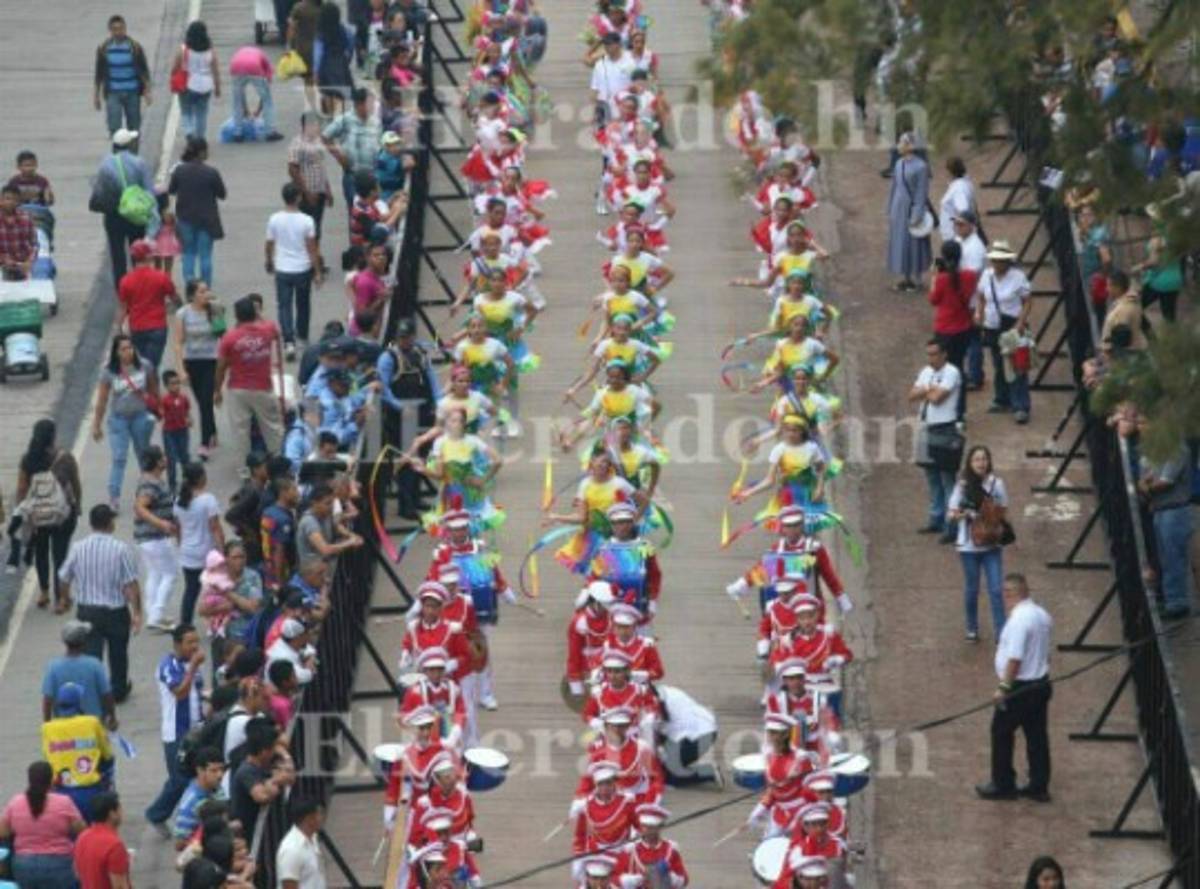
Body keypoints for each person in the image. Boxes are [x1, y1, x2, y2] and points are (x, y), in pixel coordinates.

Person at [976, 573, 1052, 803]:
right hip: (1040, 682)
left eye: (1004, 594)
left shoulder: (1019, 620)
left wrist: (1003, 687)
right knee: (1036, 736)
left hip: (1020, 687)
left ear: (1011, 594)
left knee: (1000, 732)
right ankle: (1038, 786)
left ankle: (1003, 783)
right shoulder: (1042, 614)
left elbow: (1015, 659)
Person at [57, 505, 143, 701]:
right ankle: (119, 690)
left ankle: (93, 691)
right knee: (118, 653)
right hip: (116, 611)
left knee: (91, 655)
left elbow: (63, 577)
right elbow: (131, 584)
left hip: (87, 611)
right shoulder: (121, 549)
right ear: (110, 523)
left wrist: (65, 598)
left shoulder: (78, 547)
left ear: (91, 524)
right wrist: (137, 612)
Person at [145, 624, 206, 835]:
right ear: (178, 644)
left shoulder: (192, 664)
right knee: (179, 779)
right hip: (176, 733)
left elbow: (196, 692)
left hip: (196, 729)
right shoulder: (168, 665)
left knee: (198, 775)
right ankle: (156, 814)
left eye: (196, 641)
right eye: (190, 642)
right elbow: (180, 692)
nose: (195, 646)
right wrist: (193, 668)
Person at [15, 418, 82, 611]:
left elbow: (21, 488)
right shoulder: (64, 457)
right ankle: (61, 599)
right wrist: (77, 507)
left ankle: (43, 593)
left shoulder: (27, 460)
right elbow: (75, 484)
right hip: (62, 514)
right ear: (53, 436)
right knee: (60, 555)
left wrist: (21, 511)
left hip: (38, 516)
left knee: (41, 554)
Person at [947, 445, 1009, 641]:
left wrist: (990, 514)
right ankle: (972, 627)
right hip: (968, 547)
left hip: (991, 545)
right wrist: (964, 514)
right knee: (972, 589)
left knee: (996, 589)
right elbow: (951, 513)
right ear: (970, 463)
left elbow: (1004, 509)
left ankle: (1001, 632)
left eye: (984, 459)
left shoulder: (997, 484)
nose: (981, 463)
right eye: (977, 459)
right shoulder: (962, 486)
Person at [216, 295, 285, 456]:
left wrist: (217, 390)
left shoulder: (230, 338)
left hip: (237, 389)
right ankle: (278, 464)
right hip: (263, 387)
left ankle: (245, 471)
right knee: (272, 428)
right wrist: (258, 315)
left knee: (241, 433)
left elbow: (221, 367)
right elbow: (276, 331)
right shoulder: (268, 330)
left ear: (236, 316)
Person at [0, 761, 86, 888]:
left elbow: (3, 832)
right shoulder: (63, 802)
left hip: (24, 865)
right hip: (59, 864)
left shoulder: (16, 802)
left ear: (29, 780)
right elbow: (81, 829)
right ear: (51, 780)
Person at [975, 239, 1033, 424]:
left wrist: (1020, 323)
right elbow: (981, 297)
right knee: (999, 364)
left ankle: (1021, 405)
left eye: (1000, 260)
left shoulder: (1018, 277)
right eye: (995, 260)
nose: (997, 264)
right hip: (992, 325)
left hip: (1011, 324)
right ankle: (1003, 399)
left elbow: (1027, 301)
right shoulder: (987, 275)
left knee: (1017, 366)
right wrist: (979, 314)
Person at [909, 336, 962, 537]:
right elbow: (911, 395)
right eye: (928, 354)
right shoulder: (926, 371)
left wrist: (926, 390)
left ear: (944, 354)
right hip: (925, 427)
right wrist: (927, 389)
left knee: (947, 479)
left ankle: (951, 526)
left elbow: (937, 399)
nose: (930, 358)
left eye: (934, 354)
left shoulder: (952, 372)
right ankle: (936, 519)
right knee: (931, 477)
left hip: (945, 428)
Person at [41, 684, 114, 822]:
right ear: (78, 703)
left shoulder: (47, 728)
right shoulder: (91, 722)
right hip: (90, 789)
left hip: (61, 791)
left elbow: (47, 757)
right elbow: (107, 755)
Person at [266, 182, 323, 359]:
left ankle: (288, 341)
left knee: (284, 305)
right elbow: (312, 248)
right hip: (302, 268)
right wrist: (318, 270)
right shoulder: (307, 220)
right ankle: (302, 337)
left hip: (282, 267)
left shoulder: (274, 219)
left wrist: (269, 260)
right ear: (298, 198)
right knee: (303, 303)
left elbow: (269, 243)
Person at [1138, 443, 1194, 620]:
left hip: (1175, 510)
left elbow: (1165, 481)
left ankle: (1177, 603)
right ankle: (1170, 600)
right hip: (1160, 509)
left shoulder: (1177, 449)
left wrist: (1147, 485)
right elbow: (1144, 477)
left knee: (1173, 557)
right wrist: (1146, 483)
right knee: (1164, 557)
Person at [89, 129, 151, 285]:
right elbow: (149, 191)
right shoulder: (139, 162)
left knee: (117, 254)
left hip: (114, 215)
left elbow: (99, 189)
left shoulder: (105, 163)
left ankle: (122, 288)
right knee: (137, 251)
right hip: (135, 214)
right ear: (130, 145)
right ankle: (140, 284)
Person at [926, 239, 977, 420]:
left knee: (940, 371)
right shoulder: (969, 276)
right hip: (963, 329)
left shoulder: (941, 279)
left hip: (944, 330)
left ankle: (941, 408)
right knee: (958, 369)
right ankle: (959, 411)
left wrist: (935, 277)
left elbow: (933, 300)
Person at [173, 279, 223, 459]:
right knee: (202, 402)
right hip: (192, 361)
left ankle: (204, 443)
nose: (205, 295)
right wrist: (181, 369)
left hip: (211, 360)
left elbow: (221, 333)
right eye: (201, 292)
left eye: (206, 290)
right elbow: (178, 343)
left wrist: (216, 308)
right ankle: (212, 429)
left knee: (205, 401)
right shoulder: (182, 314)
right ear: (192, 295)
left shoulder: (214, 309)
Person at [133, 445, 179, 632]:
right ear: (157, 461)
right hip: (155, 537)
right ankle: (157, 615)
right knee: (170, 573)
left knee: (155, 573)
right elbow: (140, 507)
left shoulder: (151, 481)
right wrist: (161, 523)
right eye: (163, 457)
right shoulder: (151, 484)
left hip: (146, 538)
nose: (166, 460)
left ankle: (153, 613)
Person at [169, 137, 227, 287]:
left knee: (188, 254)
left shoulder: (179, 170)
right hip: (207, 220)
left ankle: (190, 287)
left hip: (185, 219)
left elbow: (172, 190)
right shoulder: (211, 172)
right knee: (205, 256)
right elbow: (222, 194)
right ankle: (205, 288)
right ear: (201, 152)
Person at [42, 619, 117, 728]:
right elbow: (106, 695)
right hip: (93, 724)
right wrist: (112, 717)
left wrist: (47, 724)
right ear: (84, 642)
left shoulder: (53, 667)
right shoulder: (94, 664)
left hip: (64, 726)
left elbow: (47, 699)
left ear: (64, 642)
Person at [176, 462, 225, 626]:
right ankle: (216, 622)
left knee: (191, 590)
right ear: (201, 478)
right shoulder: (208, 500)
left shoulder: (179, 501)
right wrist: (222, 551)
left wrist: (181, 547)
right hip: (206, 553)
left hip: (187, 552)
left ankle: (185, 624)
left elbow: (179, 529)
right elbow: (215, 528)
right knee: (214, 590)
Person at [117, 239, 178, 369]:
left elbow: (123, 308)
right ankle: (152, 388)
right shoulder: (161, 277)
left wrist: (119, 329)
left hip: (137, 328)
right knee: (152, 366)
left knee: (139, 365)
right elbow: (174, 297)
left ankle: (144, 387)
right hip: (158, 327)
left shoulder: (125, 281)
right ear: (149, 257)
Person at [322, 87, 382, 218]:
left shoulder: (376, 121)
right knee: (356, 215)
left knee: (375, 213)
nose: (372, 107)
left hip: (373, 176)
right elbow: (325, 137)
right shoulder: (345, 120)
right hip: (353, 176)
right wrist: (339, 156)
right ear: (359, 104)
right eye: (369, 103)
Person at [886, 132, 932, 291]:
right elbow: (894, 187)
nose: (899, 145)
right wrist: (890, 207)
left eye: (902, 142)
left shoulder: (921, 166)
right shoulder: (899, 163)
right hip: (899, 208)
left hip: (911, 208)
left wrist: (917, 214)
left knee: (915, 243)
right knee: (900, 241)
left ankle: (917, 277)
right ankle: (905, 276)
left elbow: (921, 192)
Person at [93, 15, 152, 135]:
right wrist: (96, 96)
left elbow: (144, 70)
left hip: (132, 92)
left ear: (125, 29)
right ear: (110, 30)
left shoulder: (134, 47)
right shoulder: (104, 48)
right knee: (114, 127)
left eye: (121, 28)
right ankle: (117, 153)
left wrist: (147, 91)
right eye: (114, 29)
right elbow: (99, 74)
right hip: (113, 93)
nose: (118, 32)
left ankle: (132, 152)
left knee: (134, 128)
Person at [229, 721, 293, 829]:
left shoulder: (270, 761)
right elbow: (262, 796)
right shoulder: (246, 771)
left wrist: (285, 755)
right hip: (252, 832)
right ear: (264, 752)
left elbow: (290, 777)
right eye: (273, 748)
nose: (275, 750)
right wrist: (275, 781)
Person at [288, 112, 335, 250]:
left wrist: (328, 190)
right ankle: (309, 260)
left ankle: (316, 257)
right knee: (308, 229)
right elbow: (292, 170)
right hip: (306, 195)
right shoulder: (297, 144)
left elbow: (321, 167)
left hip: (319, 192)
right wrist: (307, 192)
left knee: (317, 227)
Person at [174, 21, 221, 141]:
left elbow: (175, 67)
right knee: (202, 113)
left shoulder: (184, 49)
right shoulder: (210, 51)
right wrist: (217, 87)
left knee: (186, 111)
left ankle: (189, 132)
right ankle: (200, 137)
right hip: (206, 85)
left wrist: (174, 78)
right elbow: (215, 70)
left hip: (188, 85)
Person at [73, 792, 132, 889]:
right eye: (120, 809)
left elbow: (77, 873)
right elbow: (119, 886)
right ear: (112, 814)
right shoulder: (114, 846)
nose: (122, 812)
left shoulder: (82, 837)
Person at [172, 746, 225, 850]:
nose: (220, 775)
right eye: (214, 770)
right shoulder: (191, 803)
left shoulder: (217, 787)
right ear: (200, 770)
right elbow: (179, 844)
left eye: (222, 769)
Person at [229, 45, 283, 141]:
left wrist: (247, 111)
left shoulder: (241, 51)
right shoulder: (265, 61)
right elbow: (266, 96)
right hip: (253, 66)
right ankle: (270, 132)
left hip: (235, 67)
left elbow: (241, 98)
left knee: (237, 100)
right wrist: (257, 111)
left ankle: (238, 133)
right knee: (268, 101)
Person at [276, 796, 327, 889]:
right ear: (309, 818)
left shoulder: (312, 838)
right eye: (320, 814)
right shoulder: (291, 849)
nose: (323, 818)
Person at [315, 1, 356, 116]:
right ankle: (340, 116)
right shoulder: (342, 29)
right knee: (340, 92)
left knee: (327, 91)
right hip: (340, 63)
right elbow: (350, 42)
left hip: (325, 65)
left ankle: (331, 115)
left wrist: (316, 72)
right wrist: (347, 58)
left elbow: (318, 52)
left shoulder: (320, 32)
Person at [161, 369, 193, 490]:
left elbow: (187, 410)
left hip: (183, 430)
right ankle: (172, 483)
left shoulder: (184, 398)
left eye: (178, 383)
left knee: (185, 456)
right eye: (173, 384)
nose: (176, 386)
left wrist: (189, 419)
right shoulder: (165, 400)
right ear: (166, 386)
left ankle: (188, 480)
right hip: (169, 432)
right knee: (171, 459)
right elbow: (161, 413)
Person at [0, 185, 38, 279]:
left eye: (15, 200)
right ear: (1, 200)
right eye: (7, 199)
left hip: (23, 264)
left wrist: (29, 261)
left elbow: (34, 244)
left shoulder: (26, 219)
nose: (11, 202)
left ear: (19, 202)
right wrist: (5, 260)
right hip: (3, 264)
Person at [937, 156, 977, 242]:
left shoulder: (959, 188)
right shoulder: (961, 184)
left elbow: (963, 211)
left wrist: (959, 232)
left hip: (955, 237)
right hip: (954, 235)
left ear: (951, 172)